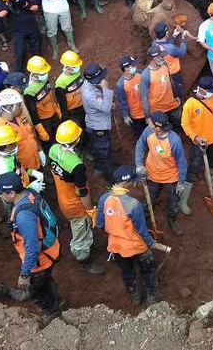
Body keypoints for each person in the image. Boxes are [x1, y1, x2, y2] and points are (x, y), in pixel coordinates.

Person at [0, 173, 62, 317]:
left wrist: (25, 274)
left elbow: (32, 248)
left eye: (1, 193)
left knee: (37, 292)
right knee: (45, 281)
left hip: (40, 261)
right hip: (51, 250)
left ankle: (53, 314)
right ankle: (57, 300)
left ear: (11, 193)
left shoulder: (23, 216)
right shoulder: (30, 193)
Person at [97, 165, 166, 305]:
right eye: (132, 181)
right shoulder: (134, 205)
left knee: (127, 271)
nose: (133, 184)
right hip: (136, 245)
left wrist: (116, 226)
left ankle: (135, 296)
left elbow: (100, 224)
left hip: (116, 246)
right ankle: (152, 296)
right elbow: (141, 231)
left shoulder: (104, 199)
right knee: (149, 267)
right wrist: (151, 243)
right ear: (125, 183)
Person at [48, 121, 104, 274]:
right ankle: (84, 260)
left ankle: (89, 245)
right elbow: (82, 192)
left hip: (63, 199)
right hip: (76, 205)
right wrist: (90, 211)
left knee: (81, 227)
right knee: (80, 230)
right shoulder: (77, 166)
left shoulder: (53, 149)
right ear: (76, 139)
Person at [179, 77, 213, 215]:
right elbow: (185, 124)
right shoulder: (190, 104)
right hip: (200, 142)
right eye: (210, 91)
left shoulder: (211, 97)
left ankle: (210, 179)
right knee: (194, 168)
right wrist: (195, 138)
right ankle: (183, 201)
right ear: (202, 90)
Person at [134, 112, 186, 236]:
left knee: (173, 201)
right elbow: (140, 144)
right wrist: (139, 165)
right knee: (149, 199)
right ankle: (144, 219)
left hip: (170, 177)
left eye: (151, 123)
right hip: (152, 175)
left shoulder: (174, 141)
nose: (149, 124)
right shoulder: (148, 131)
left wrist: (181, 182)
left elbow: (181, 162)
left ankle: (172, 219)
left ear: (158, 128)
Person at [0, 0, 42, 72]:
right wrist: (9, 2)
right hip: (17, 30)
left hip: (31, 26)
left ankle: (38, 68)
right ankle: (18, 72)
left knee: (36, 48)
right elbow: (1, 14)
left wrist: (24, 3)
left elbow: (35, 7)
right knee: (20, 52)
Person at [81, 64, 115, 180]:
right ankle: (111, 181)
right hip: (98, 128)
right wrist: (106, 89)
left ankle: (98, 168)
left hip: (93, 124)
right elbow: (106, 108)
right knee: (105, 154)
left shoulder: (86, 84)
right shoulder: (90, 94)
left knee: (98, 150)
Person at [24, 56, 61, 153]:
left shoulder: (45, 80)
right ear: (35, 74)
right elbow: (33, 112)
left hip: (54, 116)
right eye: (43, 73)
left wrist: (57, 110)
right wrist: (40, 130)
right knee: (50, 144)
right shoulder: (29, 91)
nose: (45, 74)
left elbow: (51, 97)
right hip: (45, 123)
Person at [140, 46, 182, 130]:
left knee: (178, 124)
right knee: (163, 130)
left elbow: (171, 81)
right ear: (155, 59)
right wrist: (147, 116)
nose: (164, 58)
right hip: (158, 110)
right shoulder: (145, 75)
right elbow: (144, 97)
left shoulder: (165, 65)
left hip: (171, 104)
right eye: (161, 56)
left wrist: (176, 95)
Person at [151, 22, 187, 98]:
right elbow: (182, 52)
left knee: (170, 90)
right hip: (174, 73)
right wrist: (183, 39)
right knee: (178, 90)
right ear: (166, 33)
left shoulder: (154, 44)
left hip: (163, 72)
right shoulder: (170, 48)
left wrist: (174, 36)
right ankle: (180, 101)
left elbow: (166, 45)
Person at [115, 55, 146, 139]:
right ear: (126, 68)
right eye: (133, 65)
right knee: (141, 137)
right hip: (136, 115)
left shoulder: (140, 73)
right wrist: (125, 116)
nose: (135, 67)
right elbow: (122, 101)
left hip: (148, 110)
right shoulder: (120, 84)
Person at [55, 51, 85, 128]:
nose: (77, 68)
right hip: (73, 113)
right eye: (74, 67)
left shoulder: (76, 73)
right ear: (67, 66)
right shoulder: (60, 82)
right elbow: (62, 105)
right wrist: (66, 119)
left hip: (83, 106)